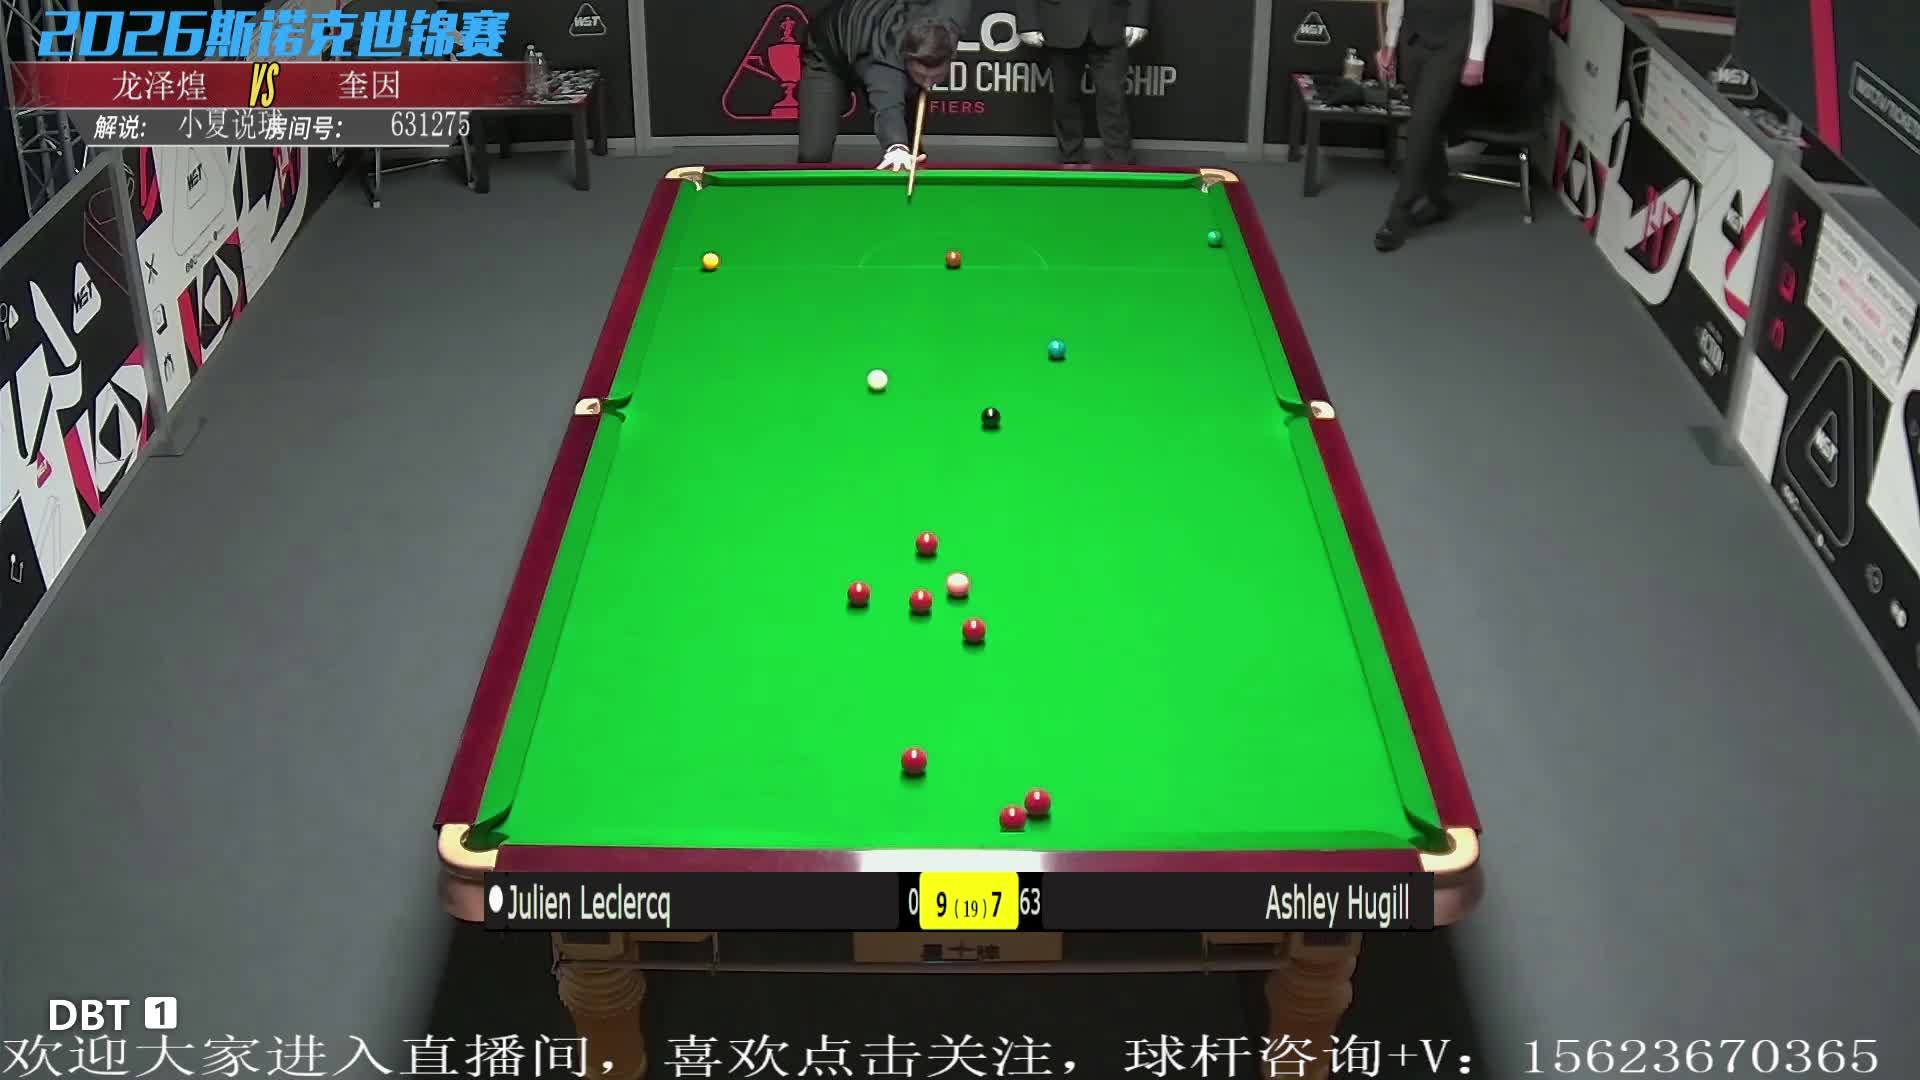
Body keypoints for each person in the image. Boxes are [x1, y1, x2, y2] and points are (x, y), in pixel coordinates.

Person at [1372, 0, 1493, 251]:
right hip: (1413, 38)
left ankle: (1398, 215)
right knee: (1427, 125)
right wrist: (1391, 42)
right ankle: (1438, 199)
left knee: (1420, 125)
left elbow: (1482, 4)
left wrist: (1477, 55)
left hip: (1451, 44)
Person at [798, 0, 970, 170]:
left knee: (912, 153)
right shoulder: (885, 66)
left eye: (936, 77)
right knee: (814, 155)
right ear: (906, 60)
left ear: (952, 55)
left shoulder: (953, 13)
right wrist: (896, 146)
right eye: (921, 76)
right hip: (829, 54)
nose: (928, 84)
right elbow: (888, 109)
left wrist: (905, 148)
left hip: (874, 42)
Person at [1015, 0, 1150, 165]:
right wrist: (1027, 23)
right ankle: (1070, 159)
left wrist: (1138, 19)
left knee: (1114, 98)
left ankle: (1121, 163)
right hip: (1059, 20)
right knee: (1064, 98)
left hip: (1111, 19)